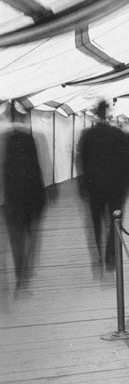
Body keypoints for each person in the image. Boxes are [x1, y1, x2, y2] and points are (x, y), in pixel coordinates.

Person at [77, 100, 129, 270]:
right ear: (108, 114)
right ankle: (110, 254)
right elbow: (127, 161)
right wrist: (127, 184)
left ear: (96, 114)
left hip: (94, 186)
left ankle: (99, 255)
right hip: (116, 186)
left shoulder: (87, 135)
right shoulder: (118, 134)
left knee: (96, 221)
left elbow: (81, 161)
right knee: (114, 221)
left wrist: (83, 185)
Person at [1, 121, 47, 291]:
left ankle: (20, 274)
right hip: (30, 198)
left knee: (17, 239)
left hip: (12, 200)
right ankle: (26, 267)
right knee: (30, 235)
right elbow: (36, 168)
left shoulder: (5, 140)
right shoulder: (30, 139)